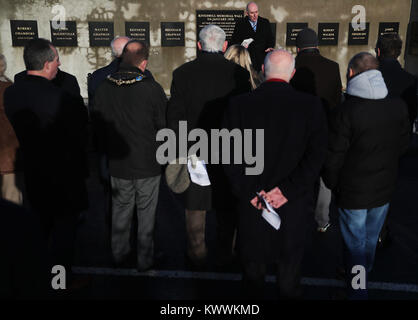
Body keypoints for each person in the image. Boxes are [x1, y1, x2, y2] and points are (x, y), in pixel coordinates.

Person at [223, 49, 328, 299]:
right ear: (291, 74)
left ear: (261, 70)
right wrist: (287, 190)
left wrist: (250, 192)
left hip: (253, 204)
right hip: (293, 205)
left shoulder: (238, 105)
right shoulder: (312, 106)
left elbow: (227, 155)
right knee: (289, 278)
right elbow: (316, 157)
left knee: (252, 278)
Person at [322, 52, 410, 299]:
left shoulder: (344, 112)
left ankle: (358, 289)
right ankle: (361, 273)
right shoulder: (398, 106)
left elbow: (333, 158)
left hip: (353, 193)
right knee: (369, 240)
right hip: (384, 188)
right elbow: (403, 146)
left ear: (350, 74)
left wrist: (333, 184)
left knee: (355, 245)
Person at [4, 38, 88, 287]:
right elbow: (80, 136)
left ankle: (37, 278)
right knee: (63, 238)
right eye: (56, 59)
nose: (60, 63)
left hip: (32, 173)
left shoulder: (12, 93)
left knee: (39, 231)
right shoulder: (65, 100)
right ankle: (59, 283)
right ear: (47, 64)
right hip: (63, 178)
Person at [168, 24, 251, 268]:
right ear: (225, 46)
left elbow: (175, 117)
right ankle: (227, 253)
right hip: (229, 150)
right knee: (228, 207)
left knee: (196, 206)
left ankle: (197, 253)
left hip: (195, 151)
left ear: (198, 45)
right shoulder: (239, 74)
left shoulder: (182, 73)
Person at [93, 40, 167, 271]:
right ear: (143, 63)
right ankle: (145, 258)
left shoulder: (104, 87)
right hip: (147, 162)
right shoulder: (152, 88)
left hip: (117, 161)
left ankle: (119, 252)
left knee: (121, 210)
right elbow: (163, 126)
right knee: (146, 213)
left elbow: (96, 126)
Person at [290, 27, 343, 233]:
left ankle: (298, 216)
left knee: (299, 173)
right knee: (323, 178)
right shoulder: (332, 67)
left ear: (297, 47)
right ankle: (321, 220)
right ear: (317, 44)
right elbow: (337, 100)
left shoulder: (291, 65)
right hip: (325, 128)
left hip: (297, 131)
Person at [376, 33, 418, 130]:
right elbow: (412, 114)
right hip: (399, 138)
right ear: (398, 52)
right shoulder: (410, 80)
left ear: (378, 51)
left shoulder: (367, 76)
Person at [0, 54, 24, 205]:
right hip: (7, 149)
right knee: (11, 197)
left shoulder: (8, 84)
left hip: (7, 147)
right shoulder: (8, 87)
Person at [230, 2, 275, 72]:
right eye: (252, 13)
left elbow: (270, 38)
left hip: (261, 60)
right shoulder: (240, 24)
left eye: (256, 12)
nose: (255, 15)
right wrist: (242, 45)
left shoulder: (265, 22)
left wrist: (270, 46)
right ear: (247, 13)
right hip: (246, 60)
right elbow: (234, 41)